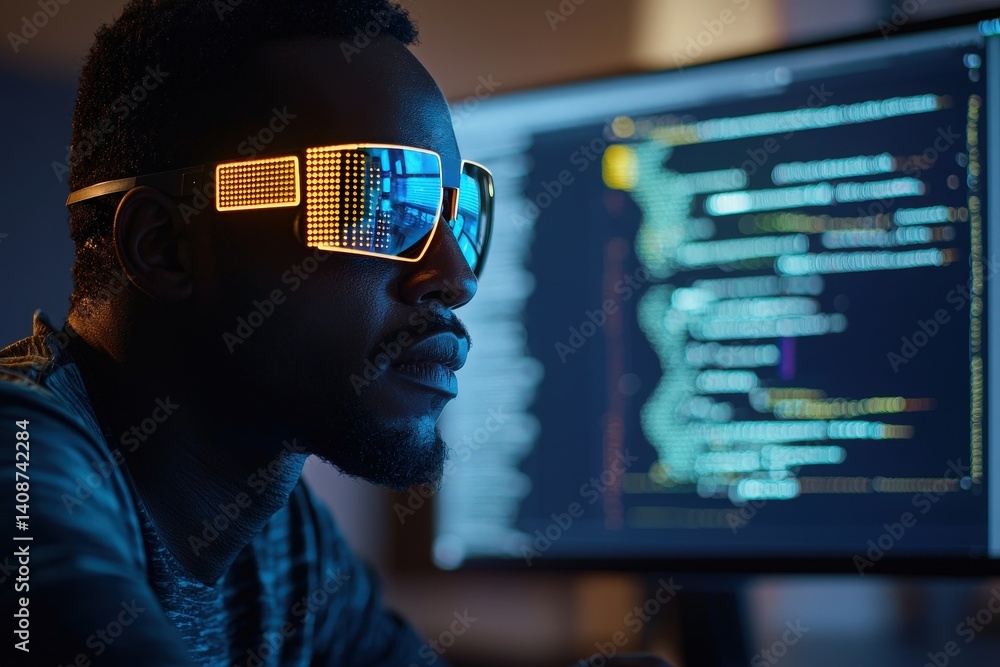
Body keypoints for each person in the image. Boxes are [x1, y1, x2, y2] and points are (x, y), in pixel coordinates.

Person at [1, 0, 486, 664]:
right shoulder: (21, 460)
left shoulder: (285, 537)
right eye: (373, 200)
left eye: (459, 215)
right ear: (165, 244)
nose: (454, 274)